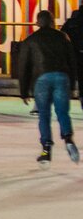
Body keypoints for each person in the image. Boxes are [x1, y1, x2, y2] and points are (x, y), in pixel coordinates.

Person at [18, 10, 78, 166]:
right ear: (52, 22)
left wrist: (23, 91)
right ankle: (68, 138)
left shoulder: (30, 40)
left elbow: (23, 67)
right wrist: (72, 83)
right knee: (62, 112)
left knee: (44, 115)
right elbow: (72, 60)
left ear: (38, 22)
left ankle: (46, 149)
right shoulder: (63, 37)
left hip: (41, 79)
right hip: (61, 77)